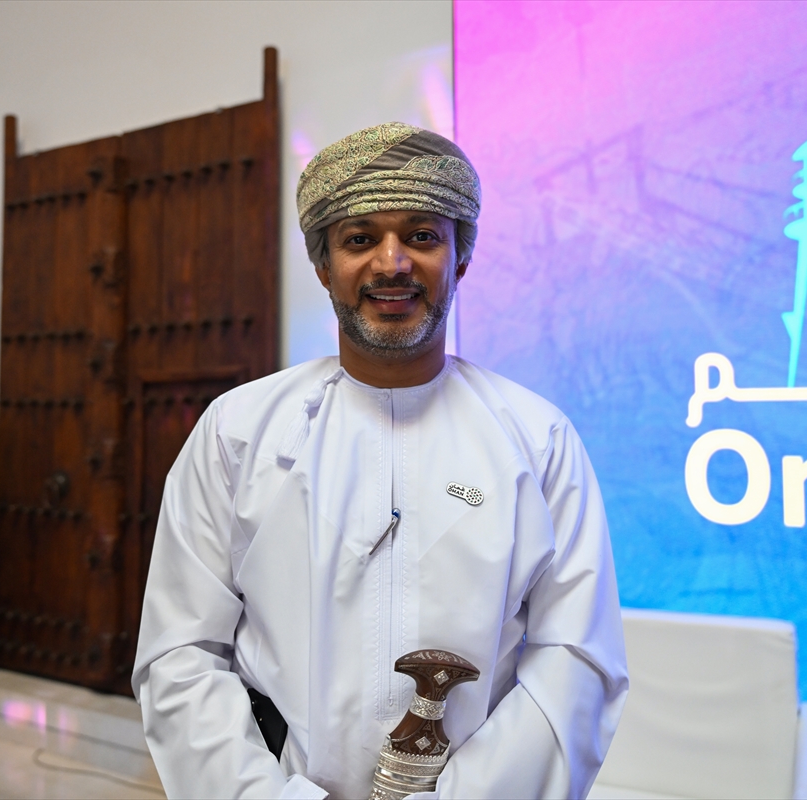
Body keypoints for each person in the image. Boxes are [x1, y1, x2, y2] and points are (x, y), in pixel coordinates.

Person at [133, 122, 628, 800]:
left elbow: (575, 658)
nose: (392, 264)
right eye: (360, 239)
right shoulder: (239, 433)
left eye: (421, 236)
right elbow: (182, 651)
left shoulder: (538, 440)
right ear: (323, 266)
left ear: (460, 259)